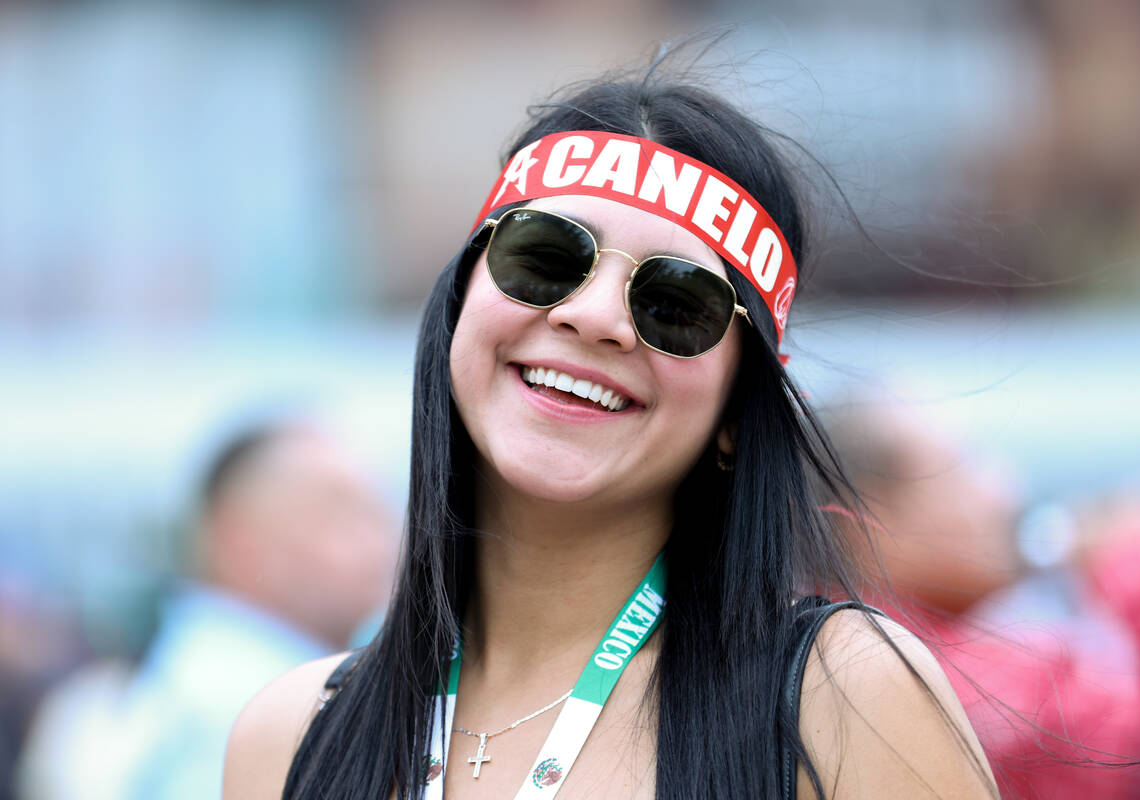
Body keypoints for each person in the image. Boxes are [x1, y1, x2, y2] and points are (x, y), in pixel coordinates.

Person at [224, 68, 998, 800]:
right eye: (546, 256)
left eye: (675, 303)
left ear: (737, 413)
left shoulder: (846, 698)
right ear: (459, 308)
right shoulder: (289, 737)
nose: (593, 317)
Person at [821, 390, 1140, 799]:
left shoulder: (843, 639)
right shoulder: (894, 665)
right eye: (961, 471)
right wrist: (1137, 571)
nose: (1004, 489)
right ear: (869, 526)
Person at [18, 420, 397, 800]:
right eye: (339, 513)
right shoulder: (235, 709)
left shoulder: (222, 688)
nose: (381, 537)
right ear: (241, 541)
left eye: (379, 509)